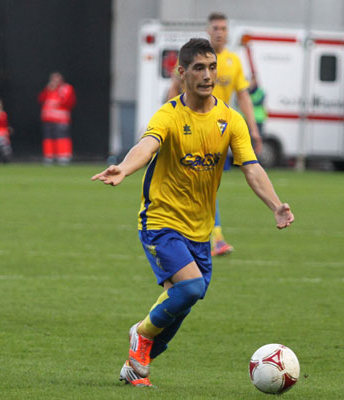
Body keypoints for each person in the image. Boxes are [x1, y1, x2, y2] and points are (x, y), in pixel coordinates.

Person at [91, 38, 294, 388]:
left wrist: (276, 204)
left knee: (184, 302)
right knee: (190, 288)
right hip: (161, 221)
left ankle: (136, 365)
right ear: (181, 73)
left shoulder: (230, 120)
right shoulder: (169, 114)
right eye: (199, 68)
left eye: (212, 67)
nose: (207, 75)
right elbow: (147, 145)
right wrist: (124, 168)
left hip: (199, 232)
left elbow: (252, 168)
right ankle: (140, 336)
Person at [167, 12, 263, 257]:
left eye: (223, 28)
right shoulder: (194, 59)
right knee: (202, 183)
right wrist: (169, 123)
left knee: (206, 184)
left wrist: (253, 129)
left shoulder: (233, 61)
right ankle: (211, 237)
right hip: (193, 128)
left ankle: (199, 235)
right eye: (216, 28)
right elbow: (175, 89)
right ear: (208, 31)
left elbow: (243, 96)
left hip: (221, 130)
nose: (220, 32)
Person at [38, 72, 76, 165]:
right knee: (48, 138)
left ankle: (63, 157)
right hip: (48, 119)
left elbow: (69, 102)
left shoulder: (66, 88)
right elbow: (41, 99)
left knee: (62, 137)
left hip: (61, 119)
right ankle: (49, 156)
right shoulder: (49, 89)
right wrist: (48, 89)